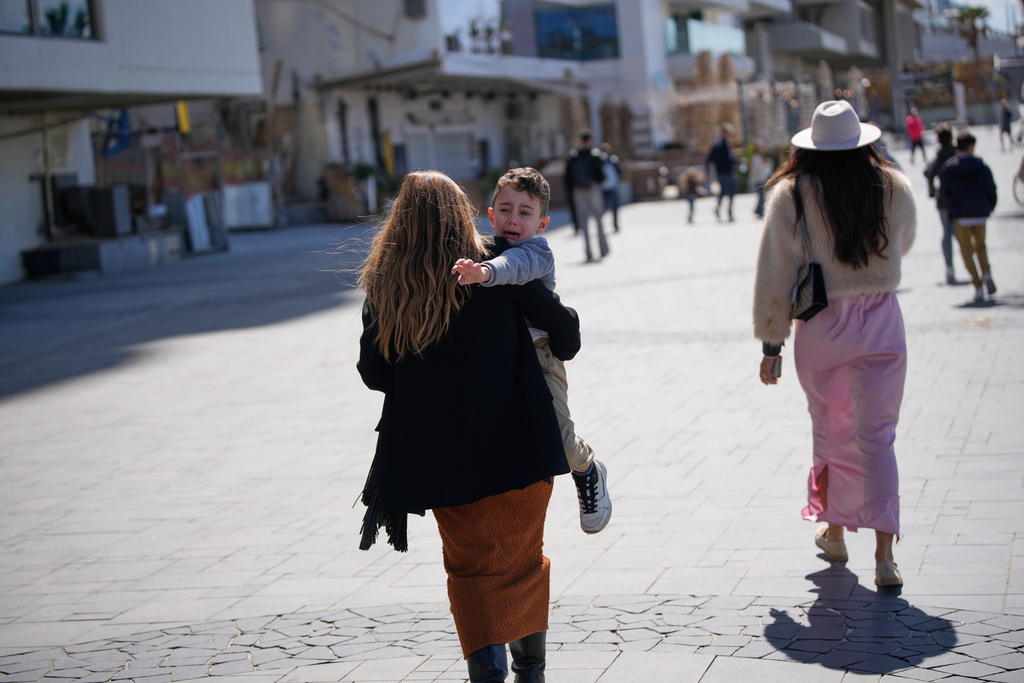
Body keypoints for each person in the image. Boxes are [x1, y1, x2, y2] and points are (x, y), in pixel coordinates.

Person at [357, 170, 581, 681]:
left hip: (443, 462)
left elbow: (374, 373)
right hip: (519, 446)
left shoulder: (387, 277)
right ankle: (533, 671)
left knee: (471, 567)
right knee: (523, 557)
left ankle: (487, 671)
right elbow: (566, 333)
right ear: (463, 210)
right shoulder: (491, 264)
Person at [753, 100, 917, 588]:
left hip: (822, 325)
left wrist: (771, 343)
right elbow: (903, 241)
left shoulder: (791, 195)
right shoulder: (892, 186)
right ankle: (885, 555)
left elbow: (775, 274)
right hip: (883, 318)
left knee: (831, 431)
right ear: (862, 141)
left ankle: (836, 531)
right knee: (877, 437)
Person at [451, 167, 612, 535]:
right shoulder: (480, 251)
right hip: (502, 358)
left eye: (526, 212)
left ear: (542, 223)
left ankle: (587, 469)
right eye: (505, 209)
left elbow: (514, 266)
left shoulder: (535, 251)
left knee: (559, 436)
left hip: (541, 358)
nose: (513, 219)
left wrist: (485, 273)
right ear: (490, 215)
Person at [939, 131, 998, 303]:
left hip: (960, 214)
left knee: (966, 250)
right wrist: (990, 206)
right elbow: (991, 187)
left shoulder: (949, 168)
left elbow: (943, 191)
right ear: (971, 146)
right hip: (980, 213)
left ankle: (977, 285)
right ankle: (986, 272)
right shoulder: (980, 165)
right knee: (981, 246)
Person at [564, 129, 609, 261]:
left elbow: (567, 177)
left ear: (579, 141)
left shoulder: (573, 156)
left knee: (583, 222)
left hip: (578, 191)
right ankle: (603, 248)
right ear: (590, 141)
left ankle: (588, 250)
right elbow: (601, 175)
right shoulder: (595, 155)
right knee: (599, 219)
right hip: (593, 188)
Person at [923, 124, 959, 284]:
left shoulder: (938, 157)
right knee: (959, 233)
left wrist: (932, 191)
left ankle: (949, 267)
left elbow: (928, 173)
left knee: (946, 233)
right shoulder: (957, 153)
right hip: (959, 200)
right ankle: (972, 262)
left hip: (943, 200)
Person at [705, 123, 738, 221]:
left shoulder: (717, 144)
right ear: (724, 133)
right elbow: (727, 159)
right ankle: (729, 212)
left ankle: (719, 209)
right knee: (730, 192)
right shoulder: (721, 145)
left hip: (721, 172)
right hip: (726, 172)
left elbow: (709, 160)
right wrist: (737, 161)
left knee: (723, 192)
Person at [599, 142, 623, 233]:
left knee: (613, 207)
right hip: (605, 187)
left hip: (611, 186)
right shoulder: (600, 160)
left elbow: (619, 170)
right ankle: (601, 226)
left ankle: (615, 225)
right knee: (603, 208)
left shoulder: (613, 159)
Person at [749, 141, 773, 218]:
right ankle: (759, 210)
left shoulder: (762, 157)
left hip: (762, 178)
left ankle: (758, 210)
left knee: (762, 195)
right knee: (761, 195)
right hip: (758, 179)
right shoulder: (755, 157)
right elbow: (756, 169)